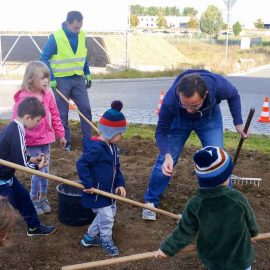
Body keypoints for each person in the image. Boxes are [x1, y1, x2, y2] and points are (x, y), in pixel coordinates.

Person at [142, 69, 247, 221]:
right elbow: (161, 132)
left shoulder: (218, 85)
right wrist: (167, 155)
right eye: (185, 105)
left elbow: (234, 95)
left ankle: (224, 203)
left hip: (208, 118)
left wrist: (238, 122)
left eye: (194, 105)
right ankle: (151, 201)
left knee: (218, 158)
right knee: (165, 161)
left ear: (205, 96)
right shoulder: (171, 100)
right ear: (179, 95)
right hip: (179, 120)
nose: (190, 111)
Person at [155, 146, 259, 270]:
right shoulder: (237, 197)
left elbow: (184, 231)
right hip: (242, 258)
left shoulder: (195, 203)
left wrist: (166, 248)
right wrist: (253, 233)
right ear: (226, 176)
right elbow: (250, 219)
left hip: (214, 261)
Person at [12, 61, 66, 215]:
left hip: (46, 139)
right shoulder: (23, 98)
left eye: (47, 77)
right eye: (42, 78)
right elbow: (16, 121)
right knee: (38, 170)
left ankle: (43, 197)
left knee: (46, 169)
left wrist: (60, 134)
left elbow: (55, 115)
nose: (46, 81)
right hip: (31, 141)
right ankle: (33, 199)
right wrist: (17, 141)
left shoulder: (48, 94)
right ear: (30, 80)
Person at [76, 100, 127, 257]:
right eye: (120, 133)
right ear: (111, 133)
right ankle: (106, 240)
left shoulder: (112, 147)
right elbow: (81, 164)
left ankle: (89, 238)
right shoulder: (96, 148)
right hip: (97, 193)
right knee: (107, 219)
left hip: (109, 192)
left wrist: (120, 183)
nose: (121, 136)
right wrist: (88, 184)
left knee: (107, 215)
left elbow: (116, 167)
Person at [0, 96, 57, 236]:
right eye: (37, 120)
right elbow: (22, 164)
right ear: (27, 117)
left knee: (24, 197)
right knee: (7, 209)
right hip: (1, 181)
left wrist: (33, 159)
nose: (38, 124)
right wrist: (38, 167)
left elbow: (17, 155)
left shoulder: (14, 128)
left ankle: (34, 228)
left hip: (7, 177)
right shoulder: (16, 131)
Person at [40, 10, 92, 152]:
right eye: (75, 27)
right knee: (62, 113)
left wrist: (87, 72)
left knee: (85, 109)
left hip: (78, 78)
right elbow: (44, 58)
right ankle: (66, 143)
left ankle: (88, 142)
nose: (78, 30)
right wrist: (51, 77)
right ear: (68, 23)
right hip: (61, 80)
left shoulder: (82, 35)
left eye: (80, 27)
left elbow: (83, 55)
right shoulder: (56, 37)